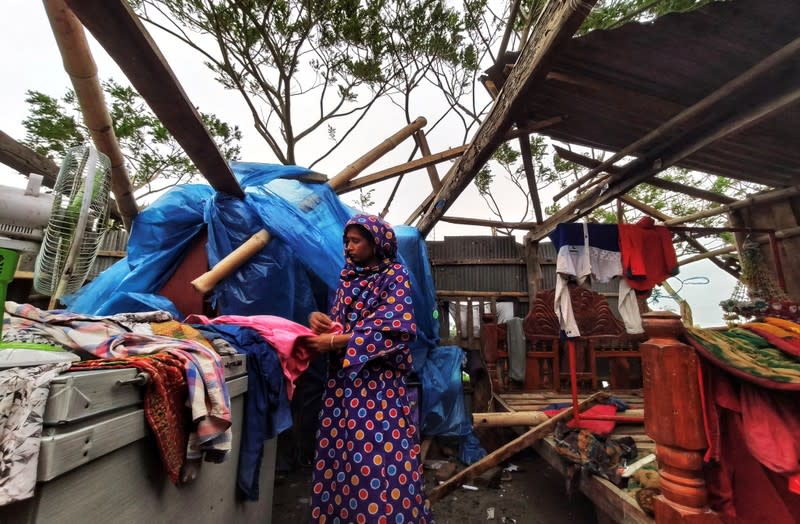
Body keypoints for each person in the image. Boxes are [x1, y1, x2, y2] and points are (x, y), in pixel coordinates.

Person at [306, 214, 433, 524]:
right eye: (346, 241)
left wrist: (335, 342)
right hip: (343, 387)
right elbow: (341, 324)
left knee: (377, 460)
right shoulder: (346, 278)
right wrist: (319, 321)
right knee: (343, 457)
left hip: (378, 390)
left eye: (355, 241)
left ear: (376, 243)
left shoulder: (394, 275)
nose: (348, 248)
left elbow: (396, 330)